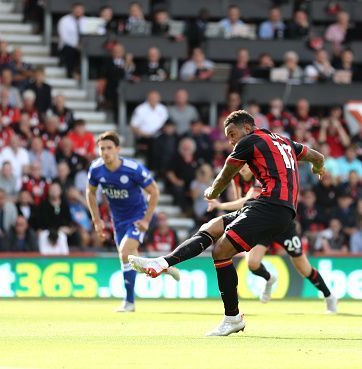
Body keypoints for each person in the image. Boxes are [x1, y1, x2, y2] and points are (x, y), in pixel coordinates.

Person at [130, 110, 332, 335]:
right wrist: (317, 168)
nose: (231, 140)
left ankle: (232, 317)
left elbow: (227, 172)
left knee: (221, 251)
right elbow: (318, 157)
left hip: (270, 206)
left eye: (232, 133)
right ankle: (163, 263)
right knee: (211, 227)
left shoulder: (251, 141)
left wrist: (211, 191)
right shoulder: (284, 141)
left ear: (247, 127)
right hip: (272, 207)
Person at [207, 166, 335, 307]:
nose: (243, 167)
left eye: (246, 164)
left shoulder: (261, 174)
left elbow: (247, 200)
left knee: (303, 267)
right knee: (252, 263)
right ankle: (269, 278)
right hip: (263, 224)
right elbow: (242, 207)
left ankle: (329, 296)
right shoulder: (237, 178)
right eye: (241, 163)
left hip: (282, 224)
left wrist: (220, 205)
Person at [86, 131, 180, 313]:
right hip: (118, 221)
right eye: (101, 148)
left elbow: (154, 191)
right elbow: (90, 192)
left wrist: (146, 220)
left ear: (118, 149)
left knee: (124, 252)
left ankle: (129, 303)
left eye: (109, 148)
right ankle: (162, 267)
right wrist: (96, 220)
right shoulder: (96, 169)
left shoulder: (132, 169)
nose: (105, 152)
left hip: (138, 216)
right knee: (132, 261)